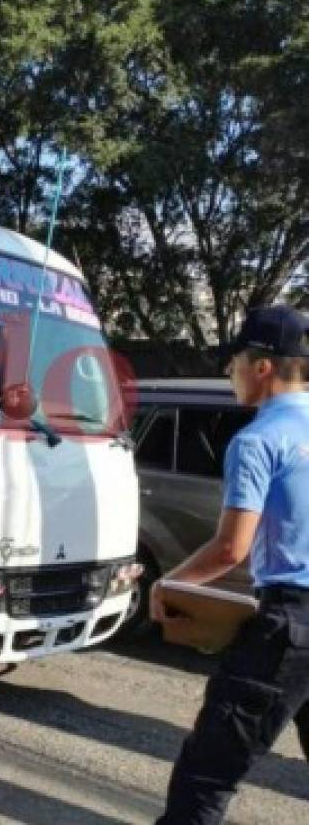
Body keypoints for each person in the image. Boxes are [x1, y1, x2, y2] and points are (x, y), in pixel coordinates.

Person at [153, 305, 309, 824]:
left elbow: (230, 549)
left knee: (206, 775)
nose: (230, 372)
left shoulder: (258, 440)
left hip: (291, 628)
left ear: (262, 366)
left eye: (235, 360)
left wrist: (168, 584)